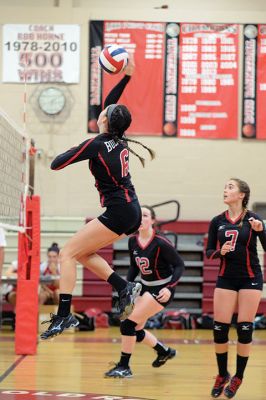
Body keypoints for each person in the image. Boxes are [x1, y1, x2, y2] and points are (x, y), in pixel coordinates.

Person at [40, 60, 155, 340]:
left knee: (67, 253)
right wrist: (126, 77)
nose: (102, 111)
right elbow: (110, 103)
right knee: (81, 254)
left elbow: (56, 164)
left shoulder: (97, 144)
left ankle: (64, 314)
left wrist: (83, 146)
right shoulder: (119, 138)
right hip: (130, 209)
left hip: (119, 210)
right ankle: (123, 287)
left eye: (104, 113)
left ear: (105, 120)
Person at [105, 206, 185, 378]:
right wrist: (127, 288)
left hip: (161, 289)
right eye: (139, 215)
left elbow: (180, 265)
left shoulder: (161, 242)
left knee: (128, 324)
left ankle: (124, 366)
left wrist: (170, 288)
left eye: (146, 215)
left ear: (153, 221)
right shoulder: (132, 241)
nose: (141, 218)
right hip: (145, 286)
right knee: (137, 329)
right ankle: (164, 351)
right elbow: (134, 267)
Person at [206, 178, 266, 399]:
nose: (225, 190)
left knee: (244, 328)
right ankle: (222, 374)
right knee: (220, 329)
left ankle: (239, 376)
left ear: (242, 195)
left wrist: (261, 231)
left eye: (230, 187)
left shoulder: (253, 219)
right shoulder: (217, 221)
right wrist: (220, 252)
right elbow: (209, 252)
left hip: (250, 278)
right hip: (226, 279)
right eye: (225, 187)